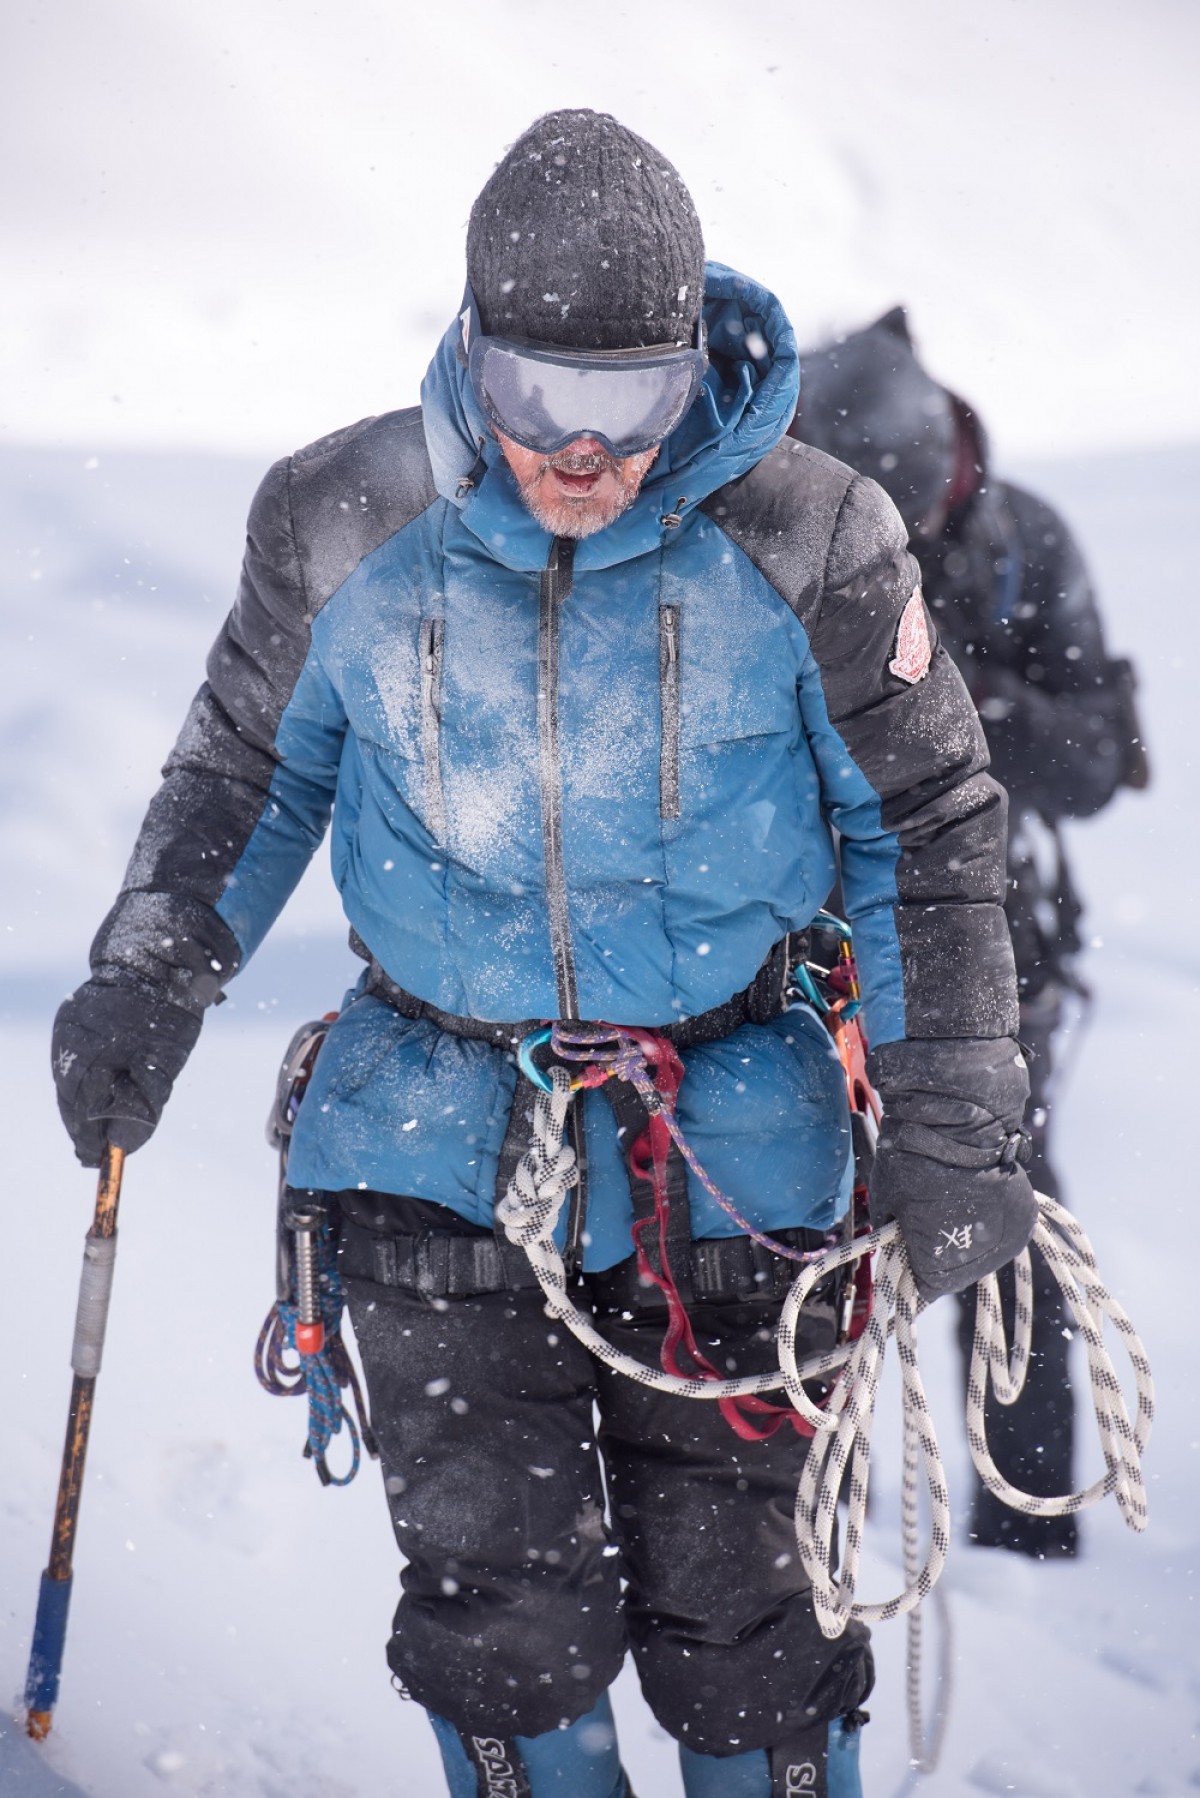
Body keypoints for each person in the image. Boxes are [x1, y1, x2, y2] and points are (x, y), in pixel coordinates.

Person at [50, 112, 1038, 1798]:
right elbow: (239, 771)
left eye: (630, 406)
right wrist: (153, 968)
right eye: (536, 402)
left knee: (749, 1617)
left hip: (736, 1160)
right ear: (470, 350)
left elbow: (926, 826)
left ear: (694, 369)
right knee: (499, 1605)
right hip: (429, 1144)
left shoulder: (817, 537)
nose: (580, 454)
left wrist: (956, 1108)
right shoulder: (345, 520)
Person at [790, 307, 1147, 1559]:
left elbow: (1103, 759)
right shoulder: (786, 528)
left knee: (1006, 1237)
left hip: (997, 960)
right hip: (813, 959)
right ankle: (794, 1524)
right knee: (800, 1240)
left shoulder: (1021, 542)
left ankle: (1027, 1529)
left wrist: (963, 707)